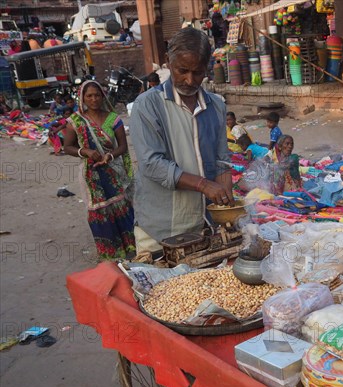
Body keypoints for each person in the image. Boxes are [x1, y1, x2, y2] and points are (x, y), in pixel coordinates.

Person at [129, 27, 232, 255]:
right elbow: (152, 164)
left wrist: (226, 198)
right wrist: (204, 185)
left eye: (197, 72)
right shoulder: (147, 105)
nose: (189, 79)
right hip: (161, 230)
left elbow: (222, 159)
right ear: (168, 62)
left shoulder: (216, 105)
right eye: (182, 70)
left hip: (204, 226)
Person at [62, 80, 135, 259]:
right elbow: (67, 147)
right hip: (91, 175)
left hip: (114, 172)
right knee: (99, 212)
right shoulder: (76, 121)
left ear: (103, 96)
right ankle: (110, 256)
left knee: (121, 208)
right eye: (89, 96)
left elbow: (123, 147)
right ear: (83, 98)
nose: (94, 99)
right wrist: (84, 151)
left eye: (97, 95)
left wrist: (109, 156)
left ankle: (132, 252)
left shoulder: (113, 118)